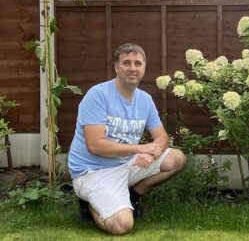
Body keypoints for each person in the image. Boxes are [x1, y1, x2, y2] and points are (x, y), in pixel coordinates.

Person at [68, 43, 186, 235]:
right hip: (92, 171)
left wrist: (152, 154)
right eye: (127, 62)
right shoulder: (98, 95)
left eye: (138, 63)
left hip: (125, 165)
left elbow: (162, 137)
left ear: (144, 68)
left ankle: (134, 195)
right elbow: (95, 145)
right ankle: (90, 206)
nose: (133, 68)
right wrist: (141, 149)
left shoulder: (145, 100)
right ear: (116, 67)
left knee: (176, 158)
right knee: (122, 225)